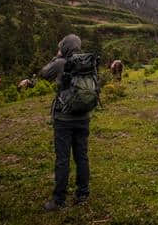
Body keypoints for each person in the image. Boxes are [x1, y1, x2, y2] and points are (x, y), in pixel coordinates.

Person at [39, 34, 91, 211]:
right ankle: (82, 194)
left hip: (64, 119)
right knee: (82, 156)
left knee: (63, 159)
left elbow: (44, 74)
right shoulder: (87, 61)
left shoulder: (61, 63)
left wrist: (58, 56)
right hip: (84, 117)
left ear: (65, 47)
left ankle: (59, 199)